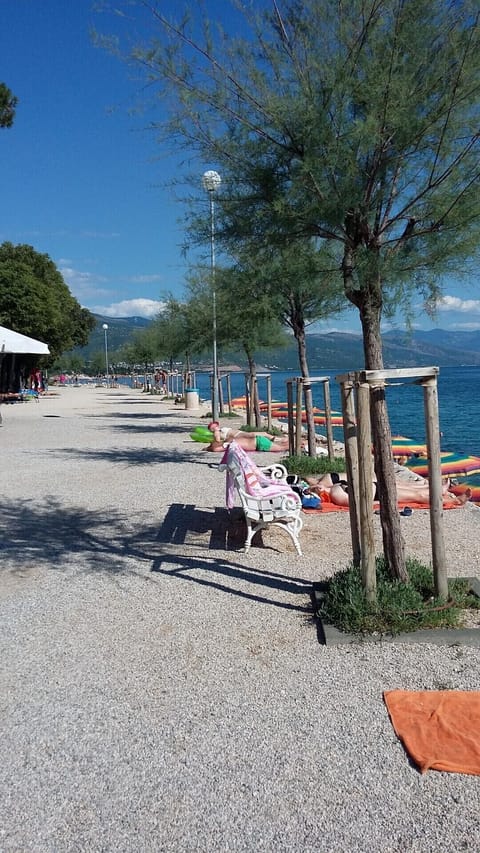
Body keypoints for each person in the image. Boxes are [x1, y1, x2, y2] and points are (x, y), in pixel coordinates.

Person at [304, 471, 471, 507]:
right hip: (378, 493)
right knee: (417, 495)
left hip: (376, 488)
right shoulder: (336, 494)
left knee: (414, 491)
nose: (316, 486)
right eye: (314, 489)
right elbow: (359, 502)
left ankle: (440, 491)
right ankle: (453, 501)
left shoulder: (333, 488)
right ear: (319, 493)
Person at [205, 420, 290, 453]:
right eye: (214, 427)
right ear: (212, 429)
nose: (216, 427)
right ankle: (280, 439)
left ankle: (278, 439)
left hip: (240, 435)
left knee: (260, 435)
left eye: (216, 425)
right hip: (240, 436)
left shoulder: (220, 431)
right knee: (257, 434)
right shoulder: (217, 433)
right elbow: (218, 441)